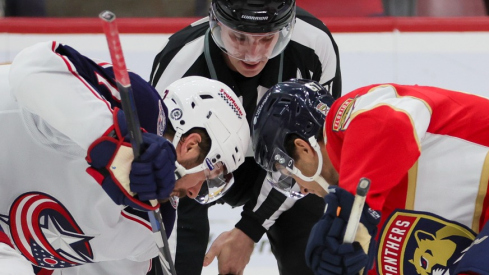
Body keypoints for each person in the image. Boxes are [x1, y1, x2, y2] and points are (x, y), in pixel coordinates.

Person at [0, 41, 249, 275]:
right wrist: (117, 148)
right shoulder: (139, 107)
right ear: (191, 145)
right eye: (208, 177)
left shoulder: (151, 232)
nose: (195, 193)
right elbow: (31, 69)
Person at [150, 0, 341, 274]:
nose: (253, 54)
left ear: (286, 29)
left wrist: (248, 229)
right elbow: (161, 168)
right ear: (216, 24)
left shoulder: (314, 45)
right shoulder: (180, 61)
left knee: (311, 189)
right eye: (239, 37)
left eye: (267, 38)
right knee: (179, 197)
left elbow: (322, 152)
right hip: (203, 165)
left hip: (283, 162)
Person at [252, 79, 489, 274]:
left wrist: (353, 209)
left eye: (288, 175)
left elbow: (392, 123)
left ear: (303, 148)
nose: (301, 190)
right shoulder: (361, 222)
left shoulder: (350, 117)